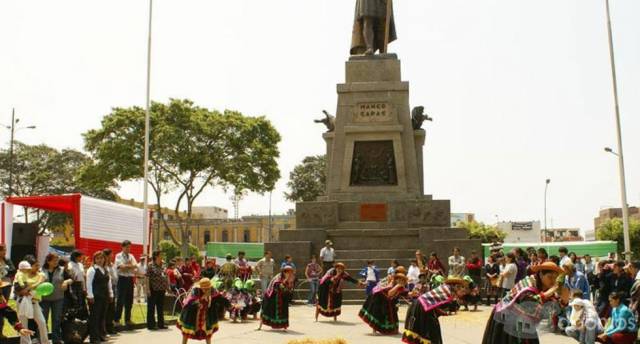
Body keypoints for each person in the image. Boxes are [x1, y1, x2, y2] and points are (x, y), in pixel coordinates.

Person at [482, 261, 564, 343]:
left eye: (555, 277)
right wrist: (547, 294)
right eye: (550, 277)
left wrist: (563, 301)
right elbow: (529, 305)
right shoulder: (528, 285)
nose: (553, 281)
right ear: (541, 275)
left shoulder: (542, 286)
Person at [402, 277, 470, 344]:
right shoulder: (447, 291)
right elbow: (448, 306)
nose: (463, 290)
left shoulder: (447, 290)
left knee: (431, 329)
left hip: (425, 307)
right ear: (456, 286)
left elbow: (439, 307)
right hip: (422, 307)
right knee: (430, 332)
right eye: (461, 287)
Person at [178, 278, 227, 344]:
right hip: (192, 313)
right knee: (187, 331)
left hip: (206, 314)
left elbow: (220, 298)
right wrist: (197, 304)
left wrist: (230, 305)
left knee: (207, 331)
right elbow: (189, 302)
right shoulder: (195, 290)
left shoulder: (212, 290)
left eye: (207, 288)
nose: (205, 290)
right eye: (204, 288)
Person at [14, 256, 49, 344]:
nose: (38, 267)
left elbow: (41, 287)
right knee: (24, 325)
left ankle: (45, 342)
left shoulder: (41, 275)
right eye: (35, 265)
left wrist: (30, 287)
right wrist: (37, 284)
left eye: (38, 265)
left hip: (35, 302)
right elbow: (20, 291)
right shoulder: (21, 275)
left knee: (42, 322)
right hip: (23, 302)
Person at [41, 253, 72, 344]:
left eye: (57, 260)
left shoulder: (62, 269)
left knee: (56, 319)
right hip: (44, 299)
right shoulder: (41, 270)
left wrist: (66, 282)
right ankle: (43, 339)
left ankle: (56, 339)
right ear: (48, 261)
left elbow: (71, 279)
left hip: (58, 298)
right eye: (54, 260)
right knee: (43, 320)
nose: (56, 262)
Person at [86, 251, 114, 344]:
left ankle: (101, 335)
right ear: (94, 259)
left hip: (104, 296)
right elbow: (88, 284)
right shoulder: (92, 269)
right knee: (95, 317)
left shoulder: (105, 269)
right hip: (95, 297)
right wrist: (90, 296)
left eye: (101, 258)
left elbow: (108, 282)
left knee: (102, 316)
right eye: (97, 258)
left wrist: (111, 294)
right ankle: (94, 338)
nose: (100, 260)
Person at [258, 265, 295, 330]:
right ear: (284, 272)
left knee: (284, 311)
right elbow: (279, 286)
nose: (289, 274)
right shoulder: (278, 278)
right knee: (266, 311)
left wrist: (289, 283)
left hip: (282, 298)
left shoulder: (291, 278)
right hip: (271, 297)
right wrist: (286, 281)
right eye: (288, 272)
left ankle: (284, 326)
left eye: (290, 272)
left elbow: (289, 290)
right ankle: (260, 326)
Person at [115, 240, 138, 328]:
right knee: (120, 300)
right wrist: (129, 266)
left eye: (129, 247)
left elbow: (136, 266)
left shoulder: (131, 256)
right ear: (123, 247)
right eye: (127, 247)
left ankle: (127, 319)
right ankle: (117, 319)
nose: (129, 249)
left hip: (130, 279)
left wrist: (127, 266)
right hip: (122, 279)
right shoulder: (118, 255)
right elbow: (120, 267)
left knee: (129, 300)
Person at [147, 250, 169, 330]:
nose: (162, 256)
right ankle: (151, 325)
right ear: (156, 256)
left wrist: (167, 286)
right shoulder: (150, 265)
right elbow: (147, 277)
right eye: (160, 254)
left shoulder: (163, 264)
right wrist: (148, 289)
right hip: (153, 289)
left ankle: (161, 324)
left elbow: (166, 275)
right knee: (151, 307)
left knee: (160, 307)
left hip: (162, 289)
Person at [0, 243, 16, 340]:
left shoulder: (7, 260)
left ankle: (0, 332)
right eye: (2, 250)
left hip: (7, 286)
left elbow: (13, 270)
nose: (4, 252)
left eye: (5, 250)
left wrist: (3, 272)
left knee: (3, 308)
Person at [102, 248, 118, 335]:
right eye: (111, 254)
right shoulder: (103, 266)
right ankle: (104, 328)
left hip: (113, 287)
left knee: (112, 308)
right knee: (105, 309)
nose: (112, 256)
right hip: (106, 289)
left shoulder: (112, 265)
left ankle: (110, 327)